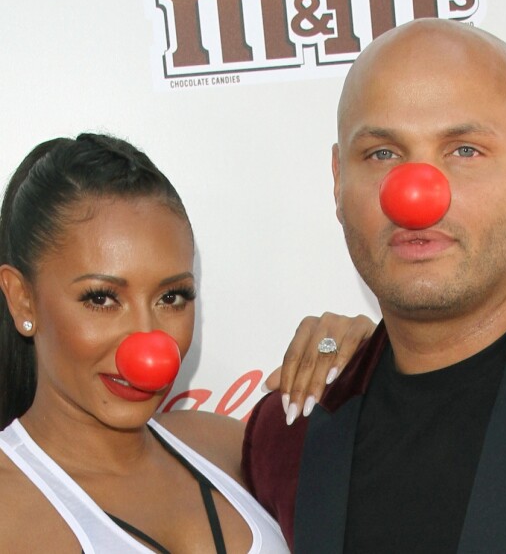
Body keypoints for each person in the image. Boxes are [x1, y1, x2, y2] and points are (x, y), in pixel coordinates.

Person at [242, 19, 506, 553]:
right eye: (382, 154)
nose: (416, 195)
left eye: (464, 150)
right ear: (337, 181)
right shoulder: (287, 433)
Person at [0, 133, 374, 553]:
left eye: (171, 297)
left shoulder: (228, 448)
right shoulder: (9, 511)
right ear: (21, 299)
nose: (148, 343)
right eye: (101, 299)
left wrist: (371, 358)